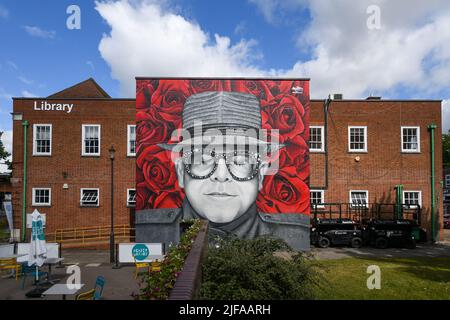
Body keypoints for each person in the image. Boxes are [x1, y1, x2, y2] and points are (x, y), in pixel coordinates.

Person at [138, 91, 309, 250]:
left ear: (261, 174)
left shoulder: (295, 235)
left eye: (239, 161)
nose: (221, 176)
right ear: (181, 172)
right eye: (203, 160)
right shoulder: (150, 229)